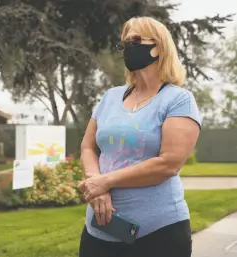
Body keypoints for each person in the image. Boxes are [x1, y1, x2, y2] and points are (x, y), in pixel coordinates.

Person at [77, 16, 201, 257]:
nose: (128, 48)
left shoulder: (178, 100)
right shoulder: (110, 97)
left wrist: (106, 181)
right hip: (98, 231)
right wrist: (97, 186)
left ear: (159, 46)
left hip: (158, 234)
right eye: (124, 43)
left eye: (136, 40)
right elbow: (88, 147)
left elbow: (168, 164)